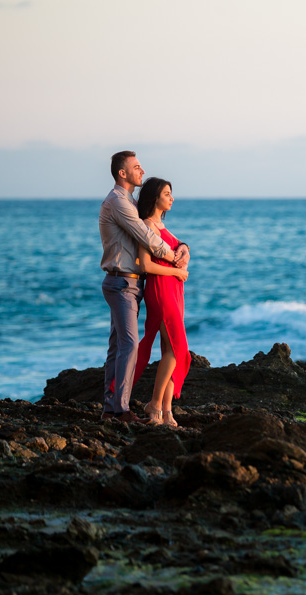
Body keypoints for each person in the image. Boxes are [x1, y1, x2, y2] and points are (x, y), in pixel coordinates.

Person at [100, 151, 189, 422]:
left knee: (118, 346)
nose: (142, 170)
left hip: (132, 283)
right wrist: (174, 258)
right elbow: (146, 236)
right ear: (122, 173)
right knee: (130, 344)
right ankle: (122, 409)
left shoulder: (130, 202)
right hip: (122, 281)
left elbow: (159, 232)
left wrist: (183, 247)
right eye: (136, 167)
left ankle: (111, 407)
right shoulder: (120, 202)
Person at [131, 177, 191, 426]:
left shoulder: (161, 226)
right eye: (167, 193)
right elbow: (145, 265)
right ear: (155, 197)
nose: (172, 198)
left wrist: (186, 250)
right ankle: (154, 405)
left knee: (170, 350)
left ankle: (167, 411)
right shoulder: (146, 225)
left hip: (174, 292)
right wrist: (177, 272)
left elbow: (179, 246)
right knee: (178, 350)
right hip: (161, 290)